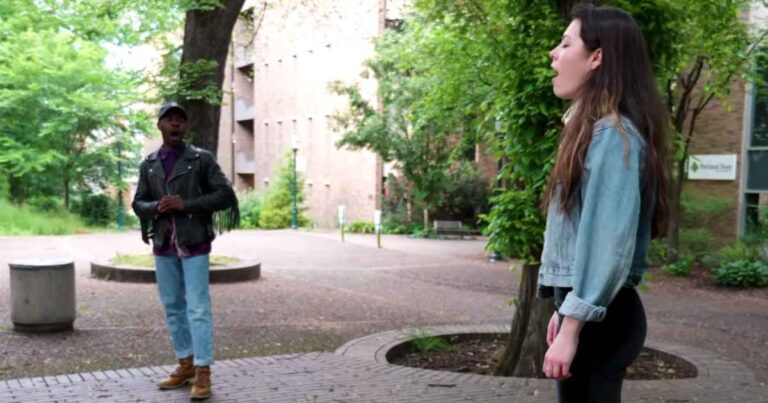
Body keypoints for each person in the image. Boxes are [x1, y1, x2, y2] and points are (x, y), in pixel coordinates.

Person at [538, 4, 669, 402]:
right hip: (594, 313)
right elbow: (585, 238)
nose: (553, 54)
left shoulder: (613, 136)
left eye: (565, 43)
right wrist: (566, 310)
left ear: (597, 57)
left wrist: (574, 323)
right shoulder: (592, 132)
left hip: (602, 320)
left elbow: (608, 241)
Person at [132, 102, 239, 401]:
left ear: (186, 126)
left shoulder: (201, 159)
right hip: (164, 243)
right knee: (173, 306)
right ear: (160, 126)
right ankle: (186, 363)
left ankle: (204, 370)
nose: (175, 124)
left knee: (198, 308)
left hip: (195, 243)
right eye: (170, 120)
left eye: (181, 120)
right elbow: (138, 203)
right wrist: (157, 207)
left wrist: (186, 205)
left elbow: (225, 194)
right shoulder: (149, 163)